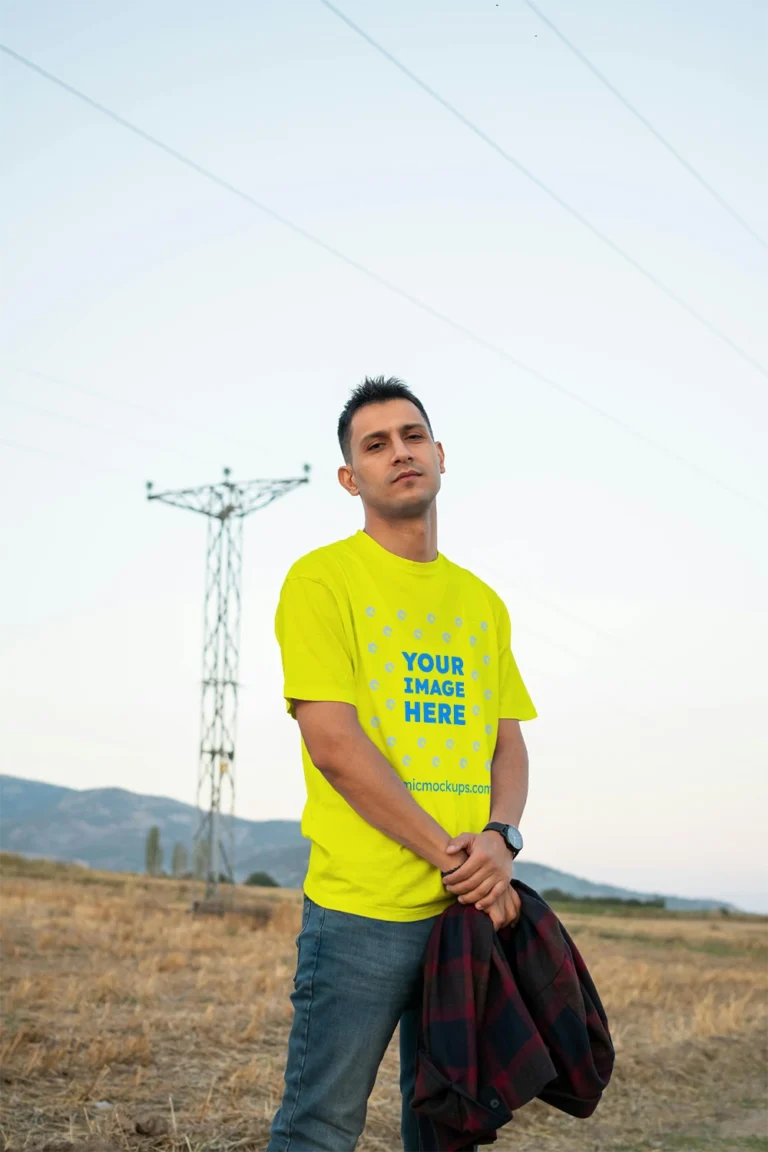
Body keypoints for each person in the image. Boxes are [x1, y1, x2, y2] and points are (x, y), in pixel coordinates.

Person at [267, 376, 537, 1152]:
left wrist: (501, 838)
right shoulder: (322, 581)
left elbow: (505, 742)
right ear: (352, 478)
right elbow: (336, 747)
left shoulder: (481, 603)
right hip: (362, 914)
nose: (400, 453)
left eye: (412, 436)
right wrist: (463, 862)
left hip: (463, 916)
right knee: (320, 1128)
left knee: (448, 1129)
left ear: (441, 455)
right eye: (376, 444)